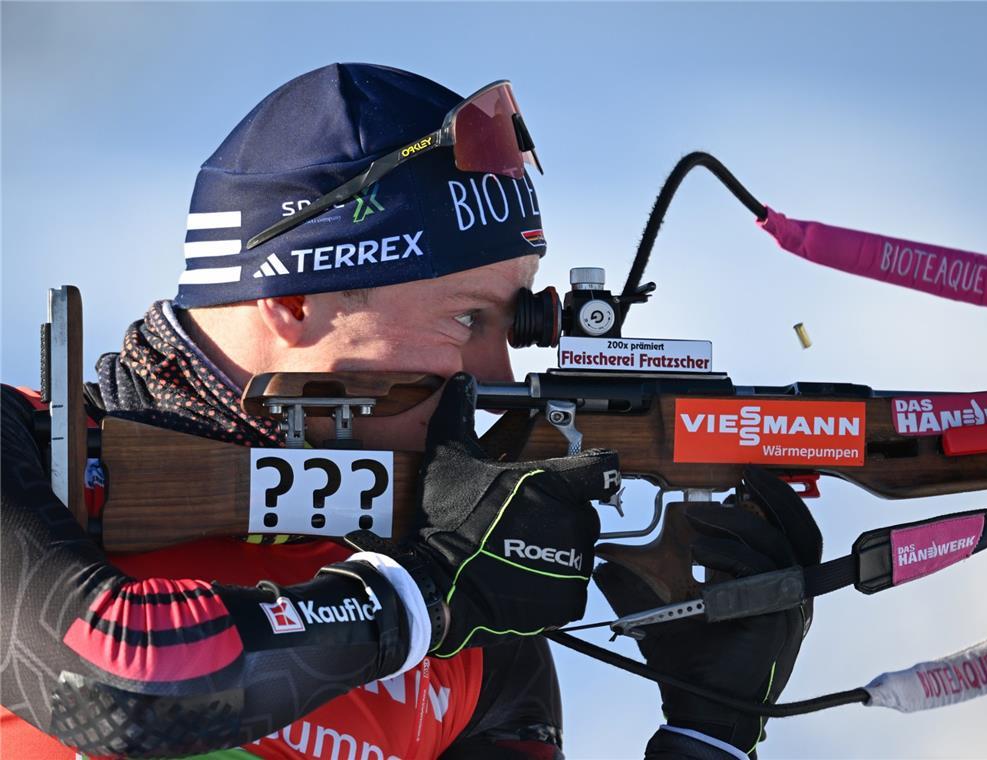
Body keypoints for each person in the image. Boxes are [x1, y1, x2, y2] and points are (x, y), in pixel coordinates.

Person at [0, 63, 819, 760]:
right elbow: (120, 682)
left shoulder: (468, 611)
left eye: (518, 321)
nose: (497, 374)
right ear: (292, 298)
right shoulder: (27, 454)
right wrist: (430, 591)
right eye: (468, 319)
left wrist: (707, 736)